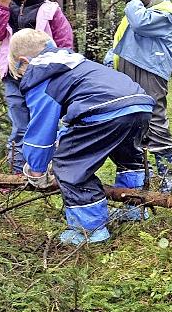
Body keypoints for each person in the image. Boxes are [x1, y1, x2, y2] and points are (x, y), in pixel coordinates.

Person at [10, 29, 155, 245]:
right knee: (128, 156)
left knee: (70, 165)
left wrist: (37, 168)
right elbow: (73, 120)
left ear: (24, 61)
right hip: (139, 103)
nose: (22, 78)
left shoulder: (41, 75)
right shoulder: (74, 62)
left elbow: (41, 131)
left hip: (104, 110)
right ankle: (136, 207)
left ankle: (90, 229)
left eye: (19, 73)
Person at [0, 0, 74, 173]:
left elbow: (65, 44)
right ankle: (17, 173)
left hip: (44, 78)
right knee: (20, 126)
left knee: (47, 123)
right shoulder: (4, 7)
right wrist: (0, 7)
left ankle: (51, 169)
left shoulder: (50, 10)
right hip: (14, 77)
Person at [106, 0, 172, 192]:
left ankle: (166, 181)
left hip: (150, 71)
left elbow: (141, 24)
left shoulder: (164, 12)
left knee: (155, 121)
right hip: (128, 71)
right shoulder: (137, 8)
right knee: (130, 123)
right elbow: (122, 39)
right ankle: (136, 181)